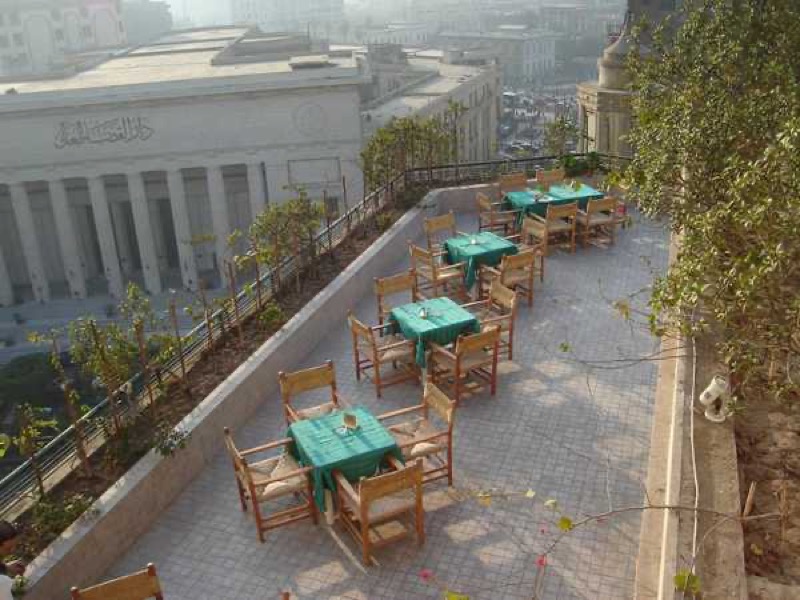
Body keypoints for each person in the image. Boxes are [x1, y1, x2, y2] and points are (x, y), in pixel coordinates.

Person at [0, 521, 22, 600]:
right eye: (8, 548)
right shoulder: (2, 582)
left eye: (14, 546)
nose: (12, 551)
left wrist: (7, 568)